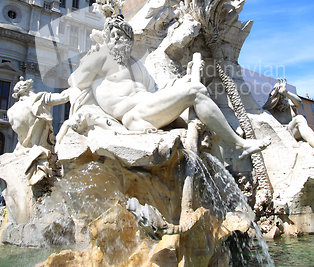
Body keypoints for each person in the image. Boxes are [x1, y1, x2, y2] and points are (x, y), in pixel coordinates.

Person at [67, 16, 270, 160]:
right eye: (112, 36)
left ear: (130, 41)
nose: (116, 40)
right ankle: (237, 144)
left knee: (196, 100)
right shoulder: (101, 56)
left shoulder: (136, 65)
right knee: (195, 92)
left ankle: (227, 147)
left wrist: (188, 76)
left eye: (121, 37)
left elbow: (156, 93)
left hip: (150, 109)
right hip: (133, 117)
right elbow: (75, 83)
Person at [263, 78, 314, 148]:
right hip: (281, 134)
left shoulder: (289, 104)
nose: (282, 99)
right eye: (279, 96)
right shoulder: (270, 109)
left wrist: (286, 93)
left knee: (299, 118)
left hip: (293, 131)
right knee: (299, 118)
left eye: (283, 97)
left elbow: (299, 103)